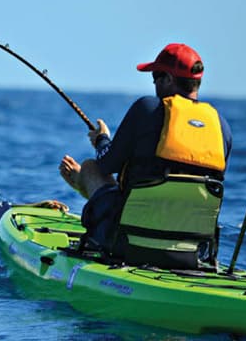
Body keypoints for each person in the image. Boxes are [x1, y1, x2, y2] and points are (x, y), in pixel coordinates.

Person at [59, 43, 232, 263]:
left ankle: (88, 191)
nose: (154, 85)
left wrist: (102, 140)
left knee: (91, 167)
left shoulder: (147, 108)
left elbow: (106, 164)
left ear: (168, 79)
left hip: (127, 242)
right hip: (192, 252)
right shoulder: (221, 126)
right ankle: (93, 195)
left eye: (156, 77)